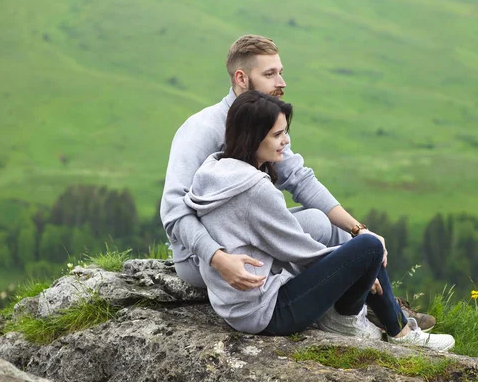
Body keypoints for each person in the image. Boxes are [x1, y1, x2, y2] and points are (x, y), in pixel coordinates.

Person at [160, 34, 435, 330]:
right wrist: (217, 258)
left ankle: (387, 313)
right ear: (241, 78)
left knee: (329, 226)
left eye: (281, 72)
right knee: (349, 252)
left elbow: (300, 179)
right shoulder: (201, 129)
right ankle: (380, 316)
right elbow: (174, 210)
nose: (282, 82)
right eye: (270, 74)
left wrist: (358, 228)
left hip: (246, 238)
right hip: (202, 259)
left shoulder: (264, 121)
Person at [183, 91, 454, 351]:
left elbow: (281, 240)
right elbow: (300, 252)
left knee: (318, 220)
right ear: (253, 138)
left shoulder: (214, 169)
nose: (286, 141)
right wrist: (359, 268)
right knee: (369, 246)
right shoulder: (255, 189)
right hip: (265, 312)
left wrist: (351, 263)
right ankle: (395, 331)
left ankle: (380, 319)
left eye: (285, 132)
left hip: (234, 303)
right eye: (277, 134)